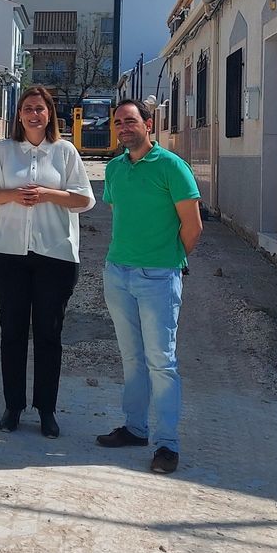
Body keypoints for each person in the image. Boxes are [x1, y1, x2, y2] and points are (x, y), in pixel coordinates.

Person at [0, 85, 95, 438]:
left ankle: (46, 410)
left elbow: (85, 200)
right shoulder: (4, 150)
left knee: (49, 334)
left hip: (55, 256)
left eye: (40, 109)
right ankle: (13, 407)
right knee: (11, 333)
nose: (33, 114)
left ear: (49, 115)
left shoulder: (65, 152)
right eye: (27, 108)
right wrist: (13, 194)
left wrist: (47, 195)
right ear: (20, 115)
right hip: (8, 256)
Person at [95, 98, 202, 474]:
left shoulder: (173, 167)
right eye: (118, 122)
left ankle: (167, 444)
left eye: (131, 121)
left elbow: (193, 227)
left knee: (162, 362)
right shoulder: (114, 169)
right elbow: (121, 216)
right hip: (118, 274)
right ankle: (135, 428)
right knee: (131, 359)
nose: (124, 127)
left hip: (158, 277)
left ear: (149, 124)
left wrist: (170, 260)